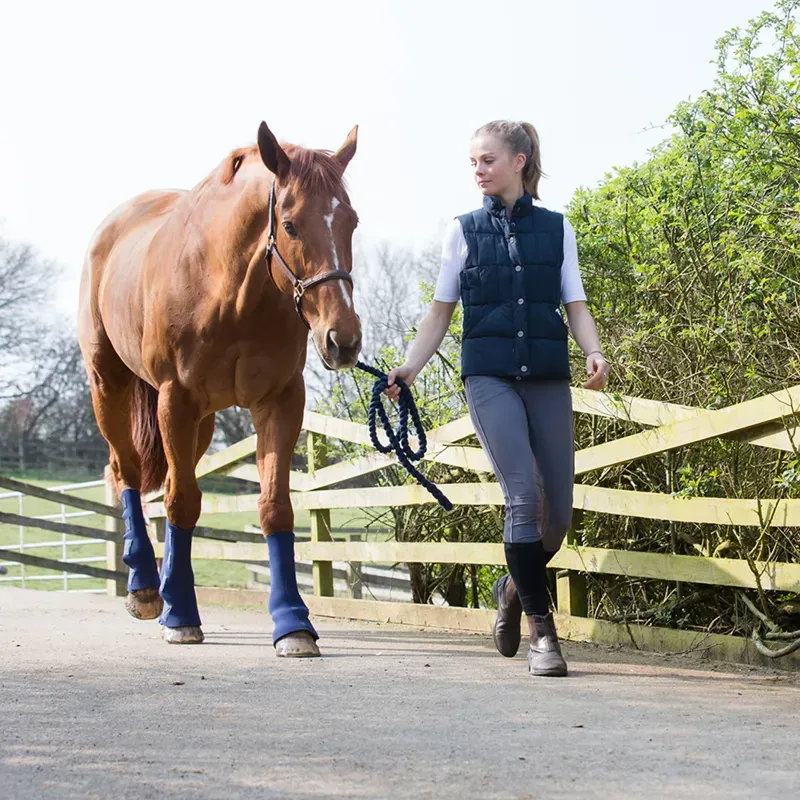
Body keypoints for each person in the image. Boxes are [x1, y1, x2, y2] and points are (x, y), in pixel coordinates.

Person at [384, 120, 609, 677]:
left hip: (549, 378)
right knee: (524, 500)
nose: (478, 171)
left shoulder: (558, 229)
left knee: (558, 518)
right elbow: (440, 311)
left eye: (487, 160)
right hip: (489, 379)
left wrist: (593, 351)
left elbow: (575, 302)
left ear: (520, 159)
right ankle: (543, 634)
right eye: (473, 163)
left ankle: (512, 588)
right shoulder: (461, 231)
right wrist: (410, 367)